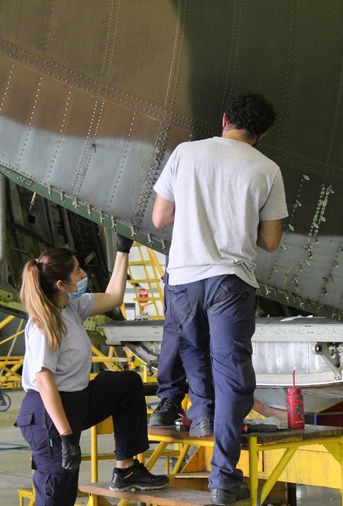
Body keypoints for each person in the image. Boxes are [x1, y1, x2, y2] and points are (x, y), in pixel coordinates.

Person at [151, 92, 287, 505]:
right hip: (230, 281)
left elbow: (160, 217)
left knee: (193, 352)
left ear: (224, 118)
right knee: (233, 375)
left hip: (183, 278)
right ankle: (223, 478)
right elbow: (270, 241)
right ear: (260, 135)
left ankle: (201, 415)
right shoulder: (267, 169)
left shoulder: (186, 153)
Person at [15, 237, 169, 506]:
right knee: (58, 493)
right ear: (61, 285)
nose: (84, 274)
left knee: (126, 384)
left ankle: (126, 469)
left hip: (76, 401)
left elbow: (113, 297)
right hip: (48, 415)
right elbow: (44, 381)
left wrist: (122, 250)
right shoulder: (45, 323)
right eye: (78, 271)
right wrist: (66, 437)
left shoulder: (71, 307)